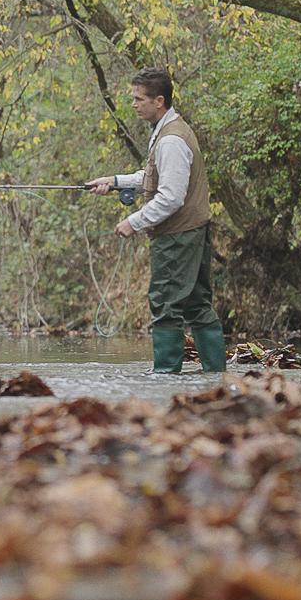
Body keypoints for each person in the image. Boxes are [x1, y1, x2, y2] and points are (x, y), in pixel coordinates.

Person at [84, 68, 225, 373]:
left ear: (159, 101)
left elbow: (171, 197)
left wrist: (133, 222)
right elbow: (152, 176)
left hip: (178, 236)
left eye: (139, 99)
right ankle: (216, 375)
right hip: (191, 231)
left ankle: (165, 377)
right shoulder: (167, 131)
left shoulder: (171, 140)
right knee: (197, 304)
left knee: (165, 305)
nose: (134, 104)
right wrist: (115, 180)